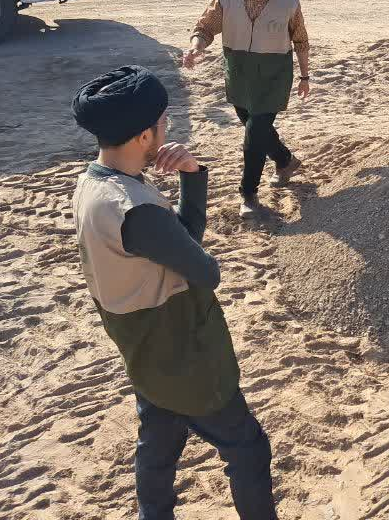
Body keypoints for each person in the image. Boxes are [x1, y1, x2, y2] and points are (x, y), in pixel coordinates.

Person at [70, 66, 276, 520]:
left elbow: (177, 239)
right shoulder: (134, 209)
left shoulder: (95, 184)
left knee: (158, 443)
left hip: (144, 352)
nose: (168, 128)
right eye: (164, 122)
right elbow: (204, 268)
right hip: (182, 352)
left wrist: (192, 173)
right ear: (145, 135)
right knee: (247, 448)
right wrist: (189, 187)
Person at [183, 0, 310, 219]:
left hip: (274, 76)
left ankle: (248, 194)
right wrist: (195, 48)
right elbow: (205, 28)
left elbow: (301, 39)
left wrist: (305, 76)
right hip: (239, 74)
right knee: (257, 129)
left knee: (254, 135)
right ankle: (286, 160)